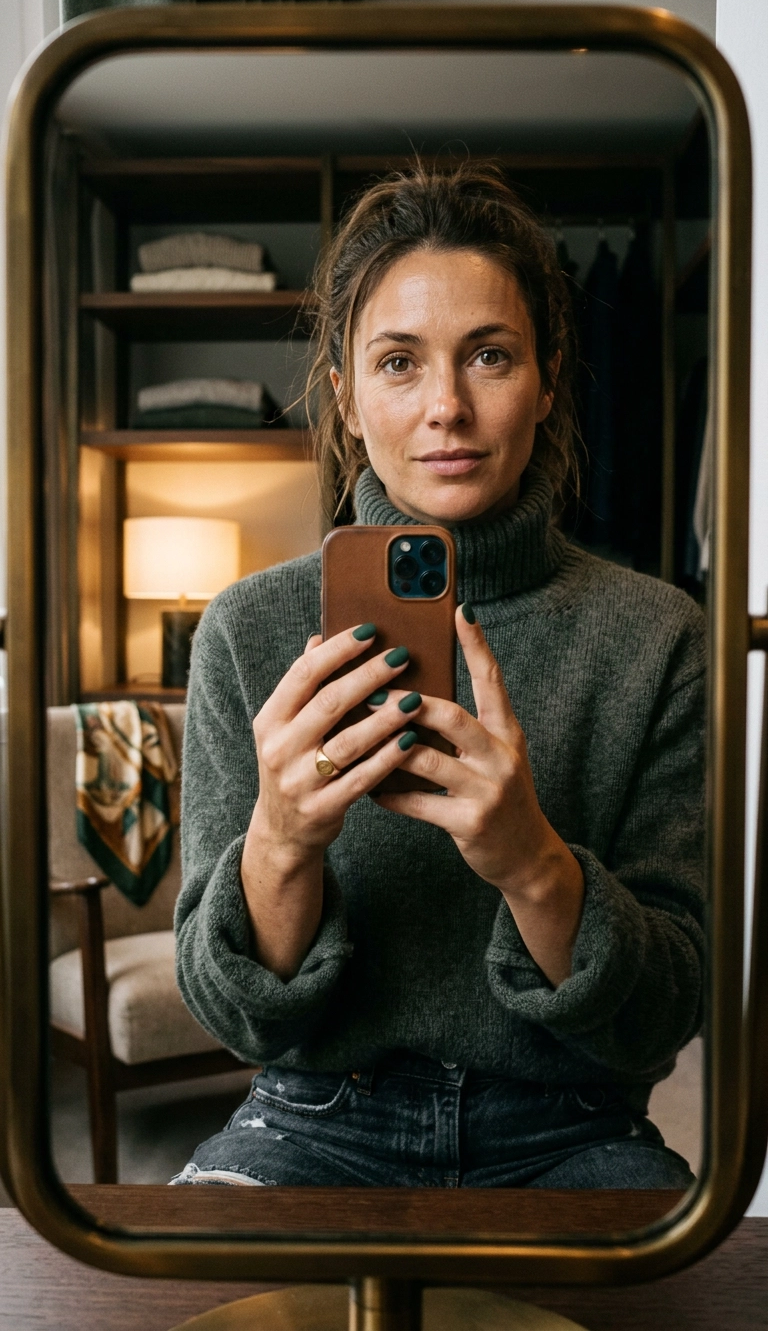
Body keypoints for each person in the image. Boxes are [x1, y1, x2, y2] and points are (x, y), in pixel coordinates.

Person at [171, 163, 704, 1190]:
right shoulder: (248, 628)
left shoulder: (656, 635)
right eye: (400, 362)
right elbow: (232, 1014)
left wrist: (532, 859)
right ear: (346, 394)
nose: (447, 407)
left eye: (489, 355)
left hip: (574, 1127)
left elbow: (666, 1009)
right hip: (311, 1120)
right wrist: (281, 838)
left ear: (549, 378)